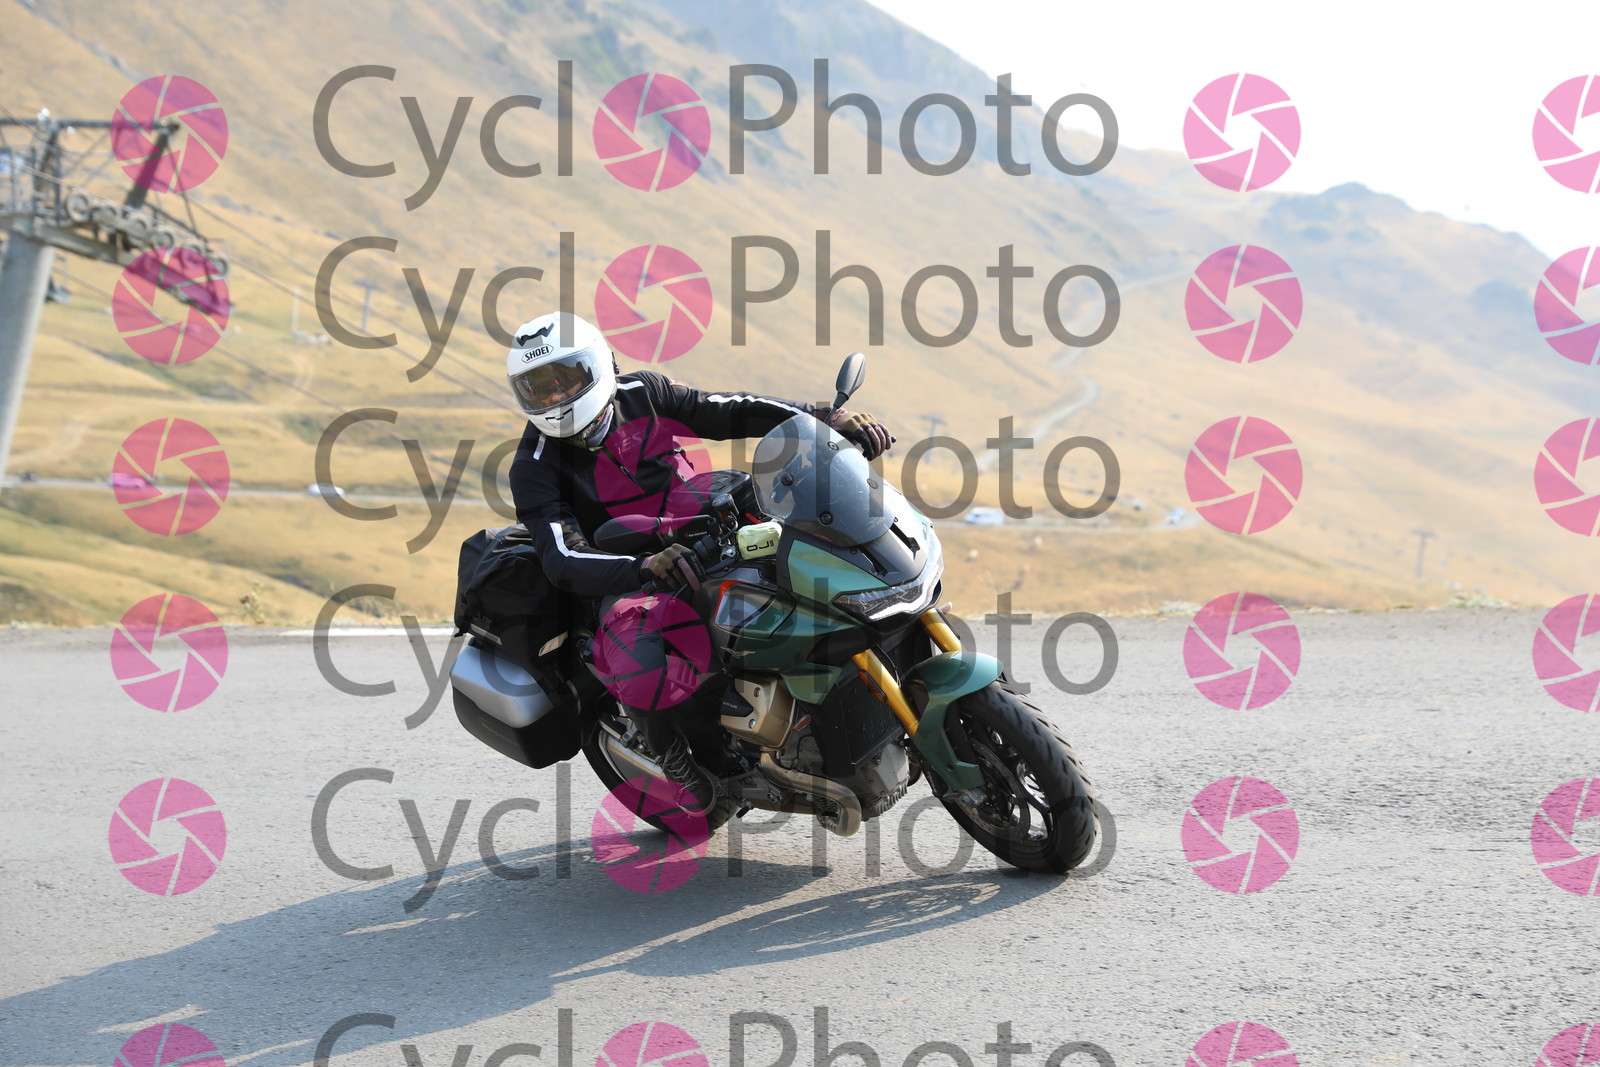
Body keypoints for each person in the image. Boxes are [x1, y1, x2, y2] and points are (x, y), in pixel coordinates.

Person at [505, 312, 893, 810]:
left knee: (808, 544)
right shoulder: (534, 465)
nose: (556, 396)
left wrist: (822, 418)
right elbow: (563, 557)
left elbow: (729, 410)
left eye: (565, 379)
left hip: (701, 529)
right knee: (639, 656)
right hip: (624, 572)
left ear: (598, 365)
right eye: (539, 389)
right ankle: (677, 762)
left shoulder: (642, 393)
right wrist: (642, 567)